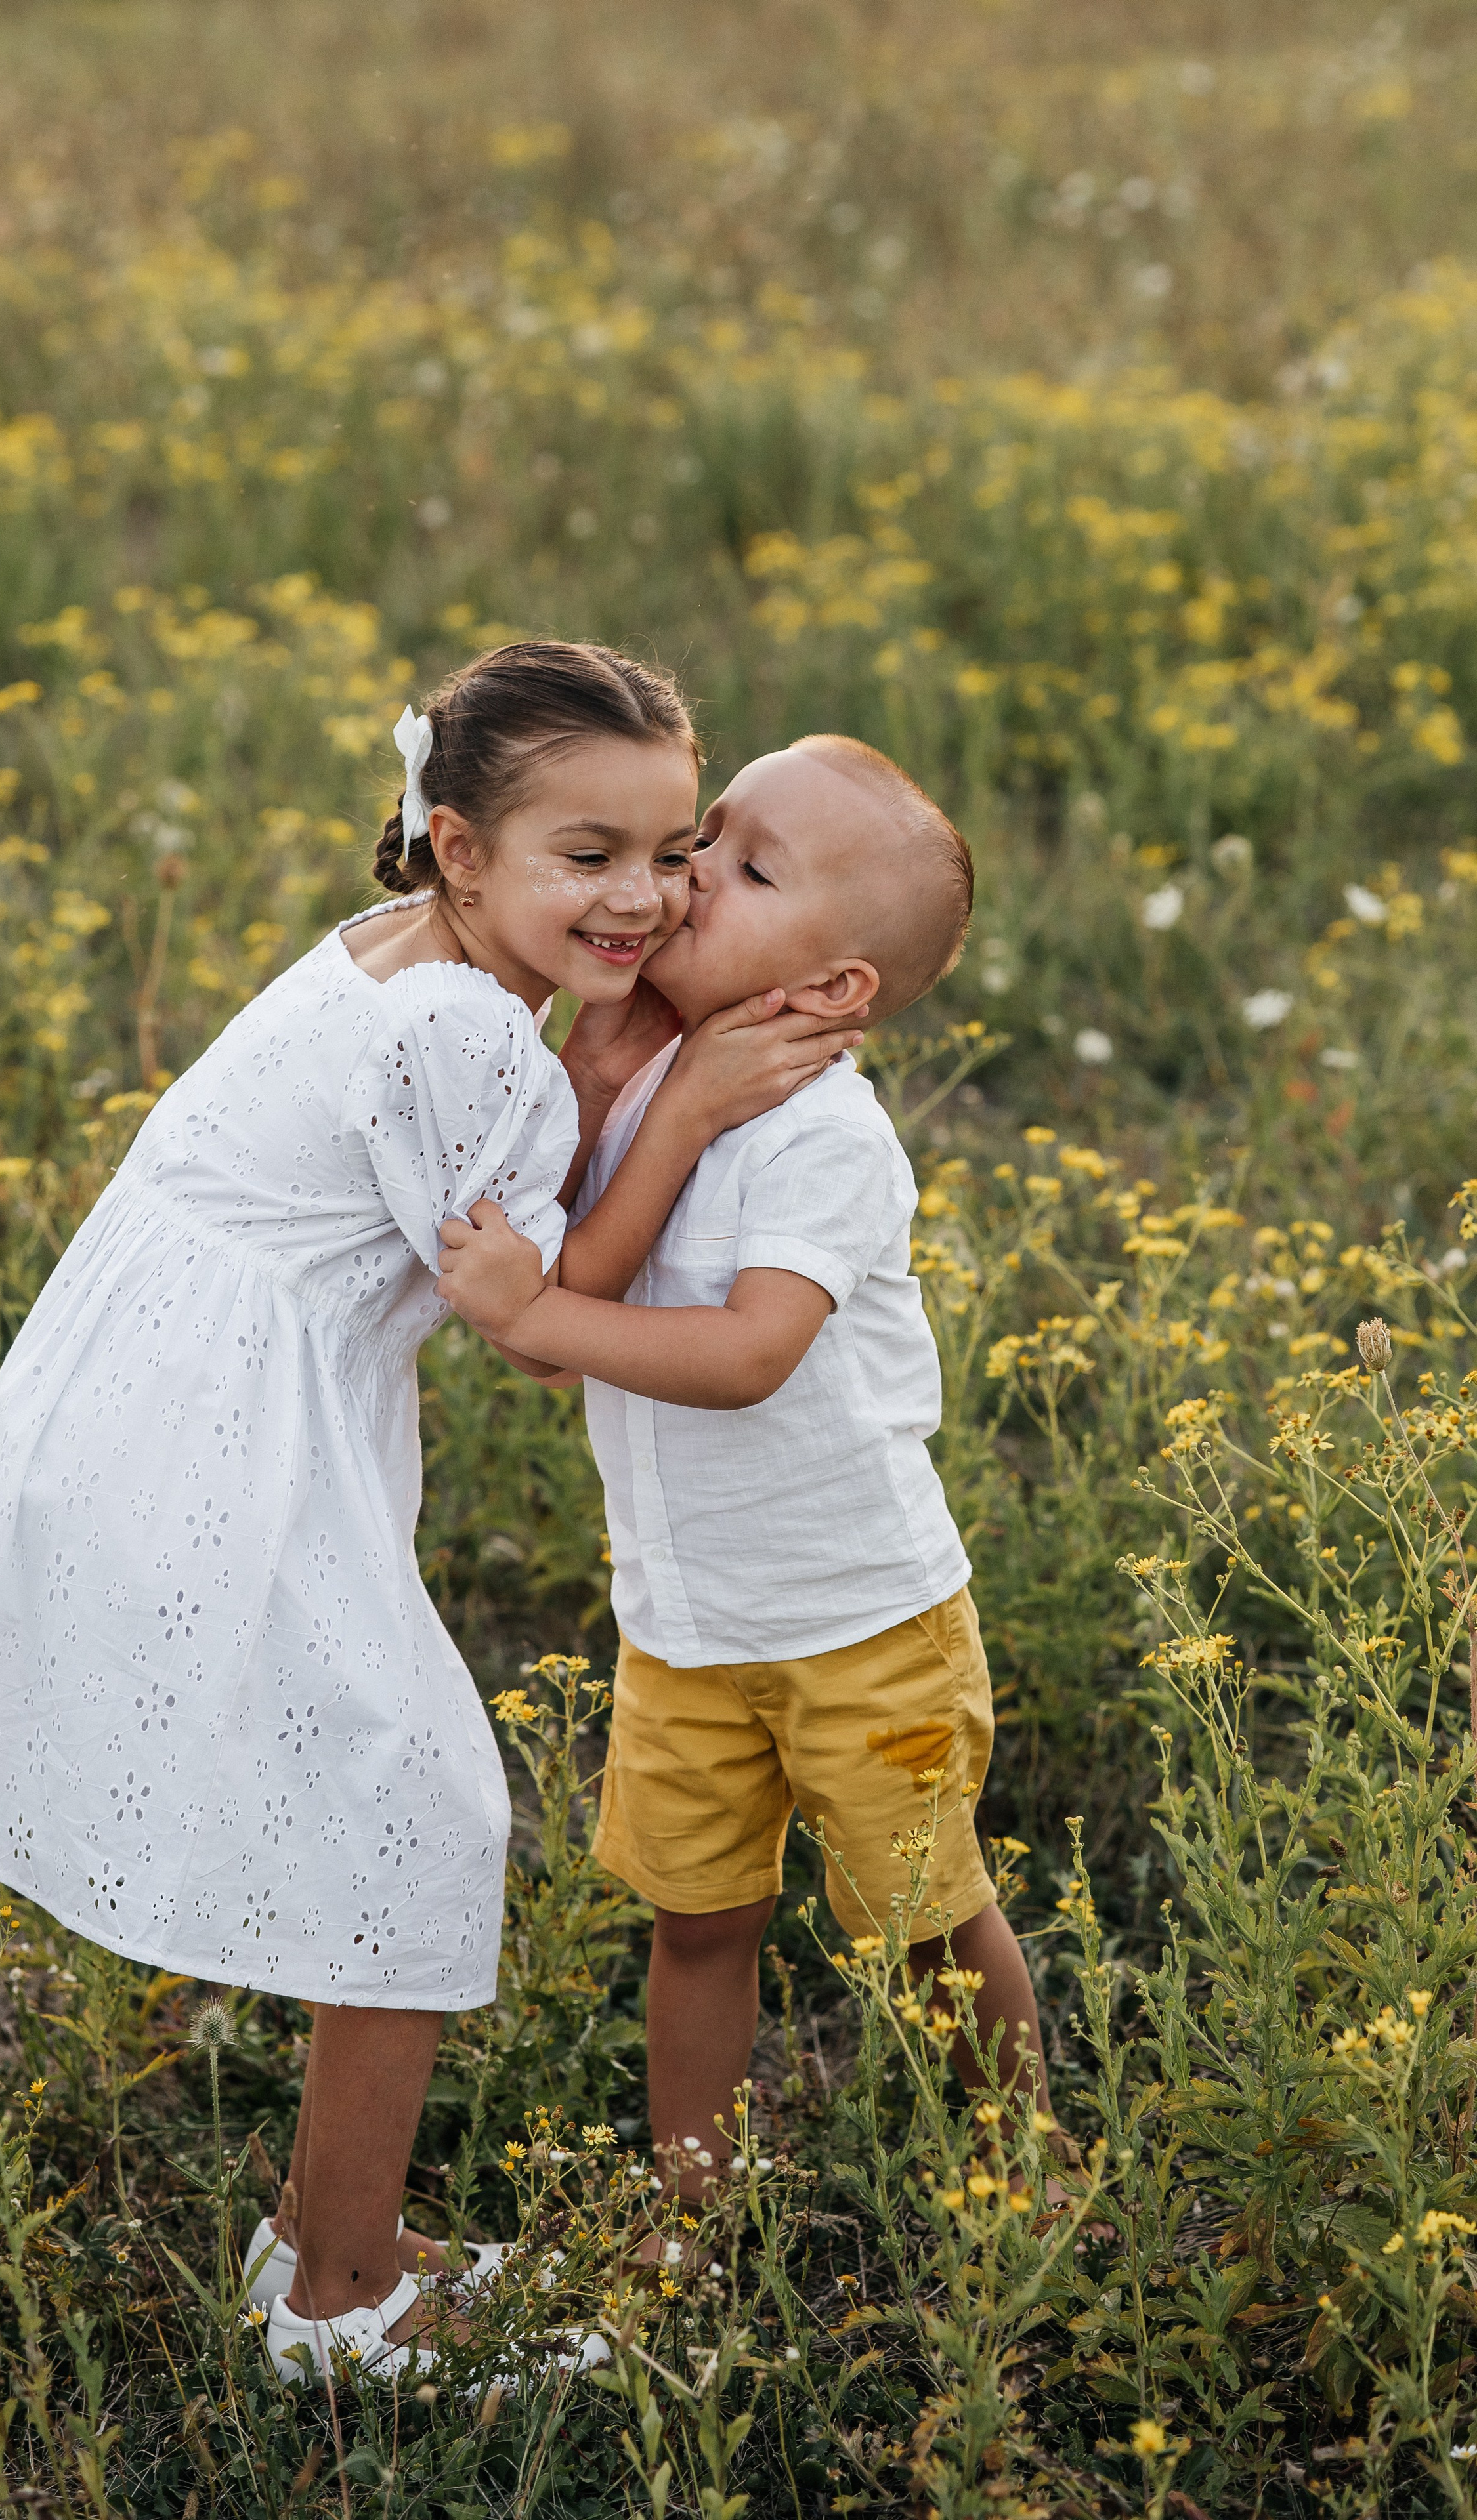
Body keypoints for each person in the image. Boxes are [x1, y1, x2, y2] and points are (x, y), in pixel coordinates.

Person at [0, 646, 863, 2380]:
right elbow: (534, 1325)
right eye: (586, 856)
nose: (641, 897)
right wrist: (684, 1099)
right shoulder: (464, 1034)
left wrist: (605, 1060)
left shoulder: (403, 951)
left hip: (159, 1407)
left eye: (669, 848)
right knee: (415, 1815)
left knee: (380, 1804)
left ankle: (338, 2246)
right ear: (459, 847)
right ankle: (342, 2308)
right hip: (205, 1448)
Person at [435, 734, 1054, 2213]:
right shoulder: (645, 1081)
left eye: (748, 866)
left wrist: (538, 1316)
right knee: (697, 1923)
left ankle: (1022, 2176)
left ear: (834, 990)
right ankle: (689, 2209)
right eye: (703, 834)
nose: (690, 870)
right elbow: (565, 1298)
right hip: (684, 1624)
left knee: (924, 1917)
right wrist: (606, 1103)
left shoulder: (825, 1135)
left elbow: (747, 1353)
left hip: (861, 1620)